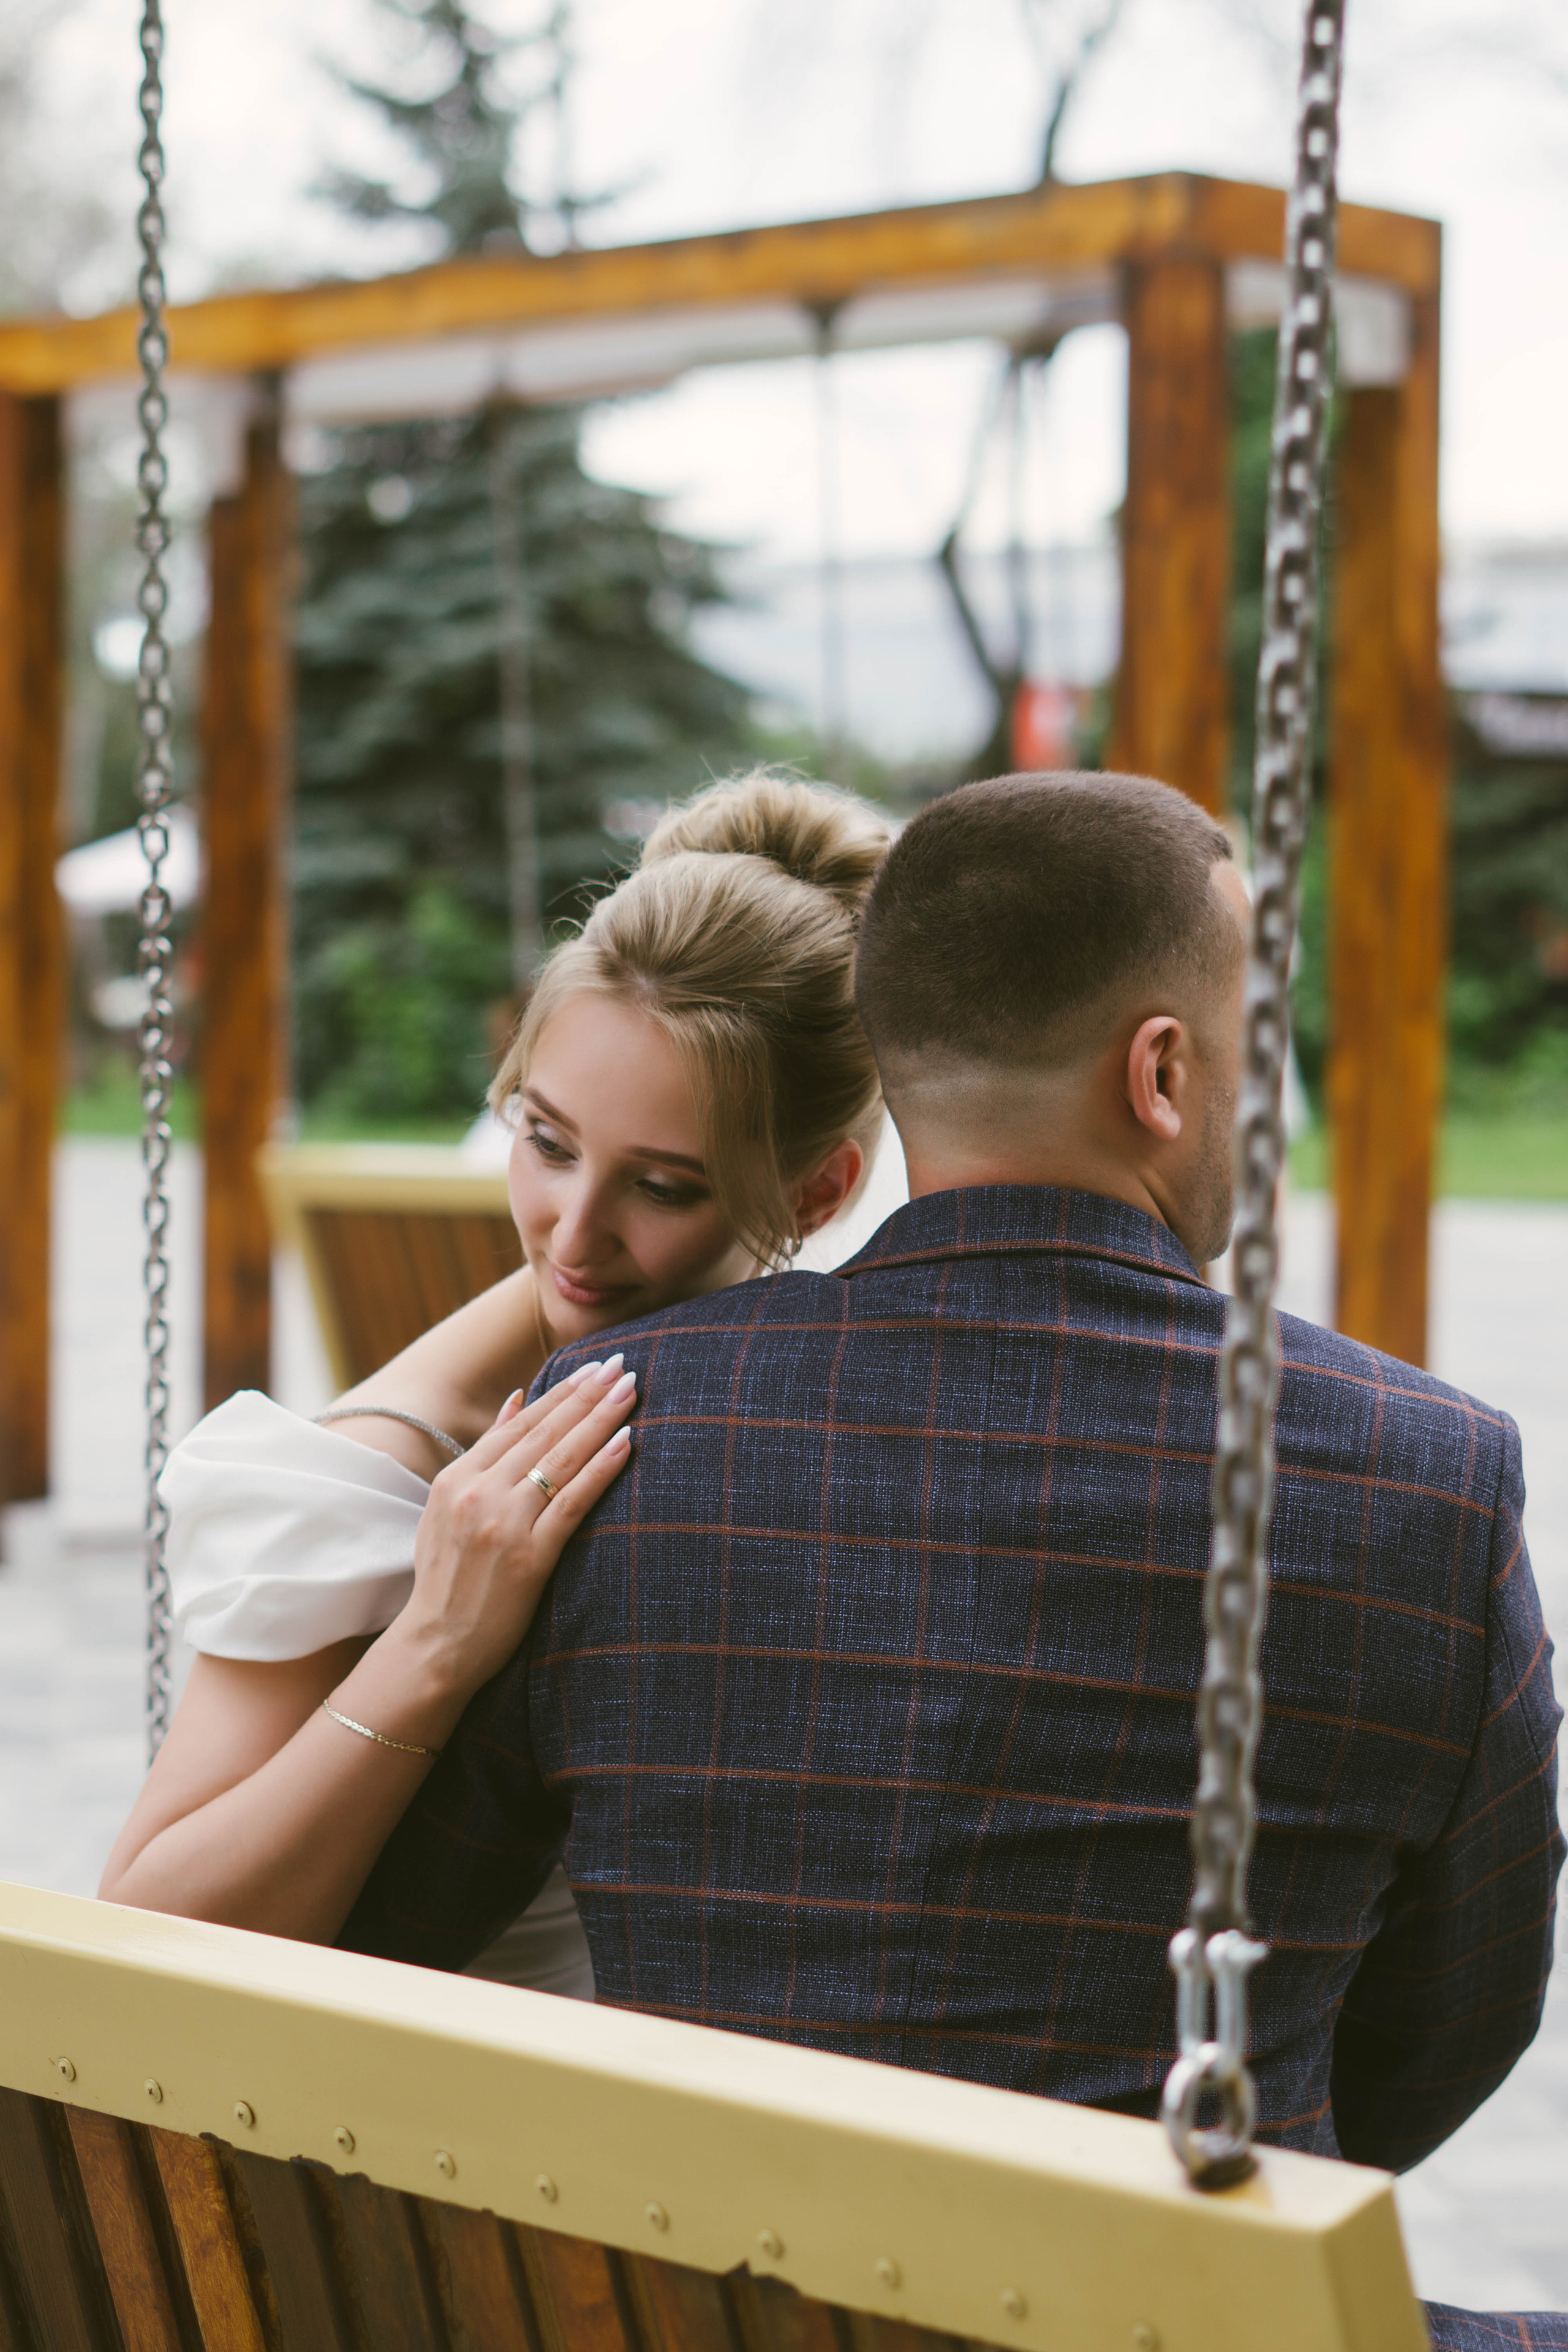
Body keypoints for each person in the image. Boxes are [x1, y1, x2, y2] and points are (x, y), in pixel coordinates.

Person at [338, 772, 1561, 2201]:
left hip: (712, 2293)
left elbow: (405, 1925)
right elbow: (1450, 2023)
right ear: (1160, 1072)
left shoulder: (617, 1430)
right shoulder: (1422, 1472)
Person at [97, 772, 889, 1995]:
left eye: (663, 1186)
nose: (574, 1234)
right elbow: (142, 1935)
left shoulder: (822, 1407)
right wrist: (435, 1643)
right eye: (548, 1142)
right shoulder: (370, 1474)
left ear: (819, 1193)